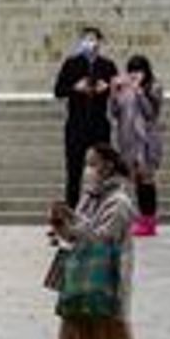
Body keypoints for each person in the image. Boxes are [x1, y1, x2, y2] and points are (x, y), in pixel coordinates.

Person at [49, 142, 138, 339]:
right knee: (71, 319)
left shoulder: (120, 201)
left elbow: (103, 237)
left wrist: (73, 225)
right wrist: (63, 224)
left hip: (109, 272)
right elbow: (78, 233)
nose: (87, 169)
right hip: (80, 270)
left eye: (92, 164)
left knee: (113, 324)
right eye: (86, 163)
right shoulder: (89, 196)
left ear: (107, 166)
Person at [53, 28, 119, 208]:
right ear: (80, 42)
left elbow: (118, 94)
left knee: (103, 171)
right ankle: (72, 213)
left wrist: (107, 89)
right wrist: (75, 88)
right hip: (76, 125)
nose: (90, 43)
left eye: (94, 39)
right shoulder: (71, 63)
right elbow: (58, 91)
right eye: (86, 39)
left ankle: (101, 211)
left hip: (99, 124)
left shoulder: (107, 65)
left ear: (100, 42)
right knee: (74, 171)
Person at [108, 55, 163, 236]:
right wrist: (114, 93)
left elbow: (150, 113)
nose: (134, 74)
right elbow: (115, 113)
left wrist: (139, 91)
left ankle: (149, 221)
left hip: (146, 142)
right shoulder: (124, 89)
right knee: (137, 181)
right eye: (131, 70)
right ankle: (143, 220)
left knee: (147, 181)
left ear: (146, 71)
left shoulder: (154, 87)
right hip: (128, 140)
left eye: (138, 70)